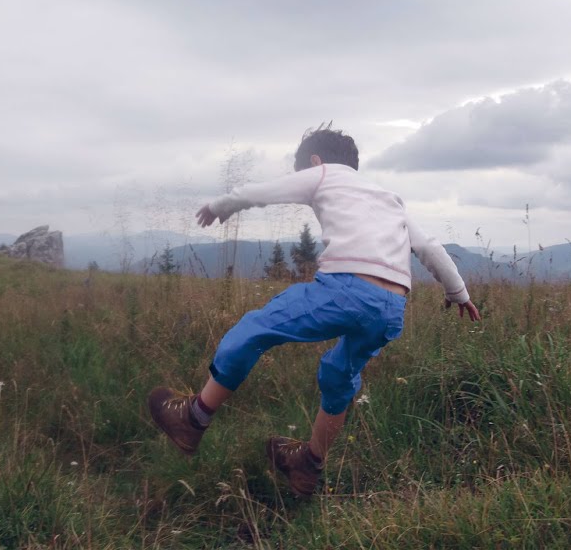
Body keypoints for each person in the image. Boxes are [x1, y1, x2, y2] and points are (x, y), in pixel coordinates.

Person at [147, 125, 481, 496]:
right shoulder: (389, 198)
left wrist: (220, 206)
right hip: (391, 307)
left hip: (345, 291)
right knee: (340, 374)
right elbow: (430, 247)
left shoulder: (323, 174)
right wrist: (458, 292)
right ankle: (309, 464)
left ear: (315, 161)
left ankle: (193, 418)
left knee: (256, 328)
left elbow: (265, 192)